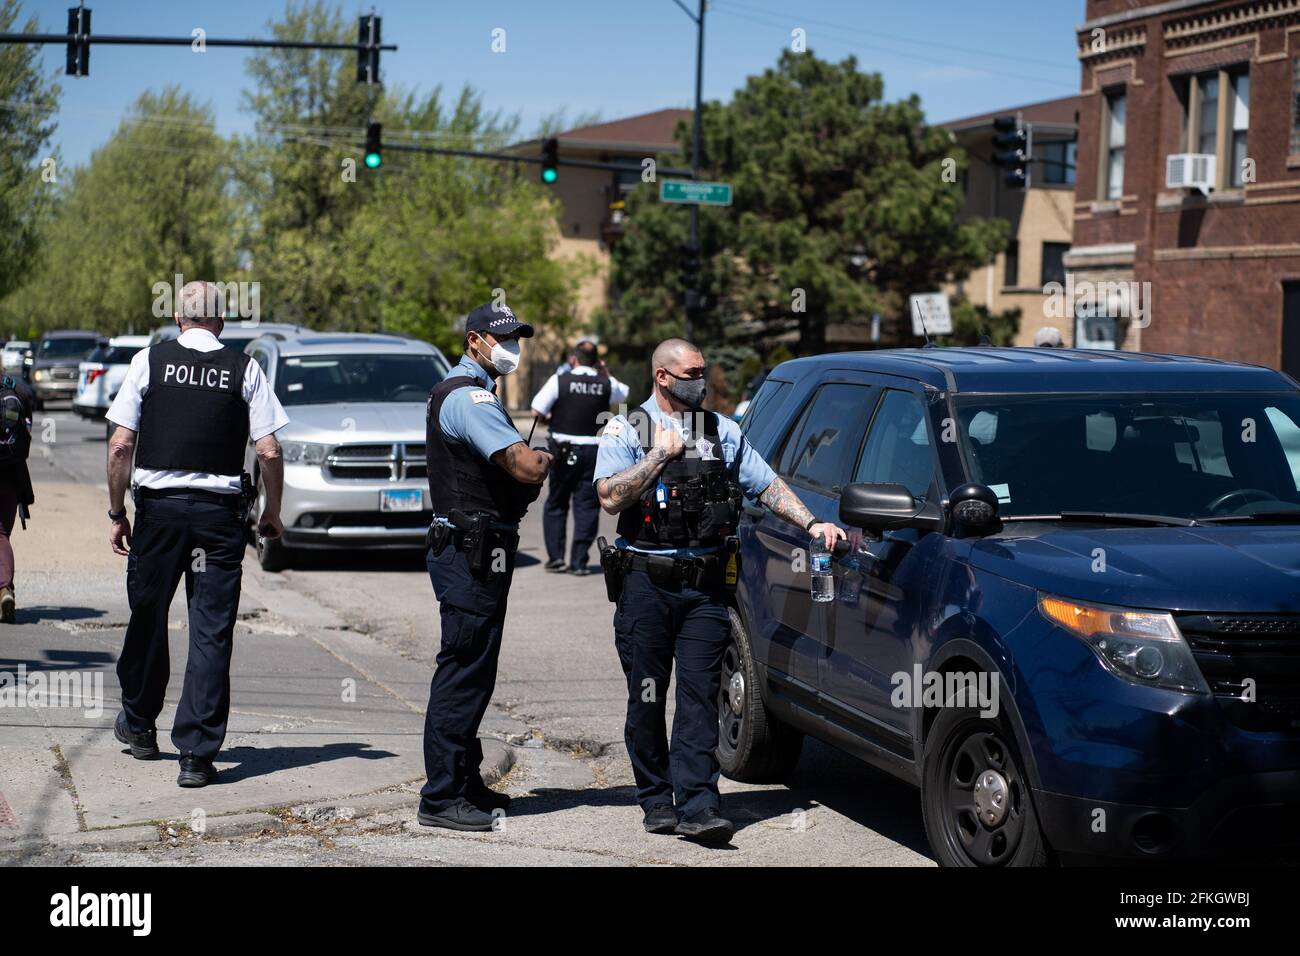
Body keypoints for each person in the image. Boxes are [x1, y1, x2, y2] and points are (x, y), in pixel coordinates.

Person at [594, 338, 845, 843]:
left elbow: (766, 484)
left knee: (699, 696)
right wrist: (658, 458)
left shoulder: (723, 431)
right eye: (692, 373)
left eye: (703, 371)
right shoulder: (626, 427)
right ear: (663, 377)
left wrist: (812, 522)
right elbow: (610, 497)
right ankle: (654, 797)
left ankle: (699, 806)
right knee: (647, 696)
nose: (701, 381)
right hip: (647, 583)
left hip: (706, 587)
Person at [105, 281, 288, 788]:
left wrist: (116, 511)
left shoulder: (150, 361)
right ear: (222, 323)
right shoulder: (244, 367)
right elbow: (269, 450)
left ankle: (139, 726)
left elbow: (122, 446)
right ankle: (197, 755)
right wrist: (272, 513)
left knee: (148, 616)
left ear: (179, 320)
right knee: (210, 632)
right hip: (219, 519)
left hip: (159, 516)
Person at [420, 302, 553, 832]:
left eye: (517, 337)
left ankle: (465, 781)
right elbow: (521, 464)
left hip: (478, 551)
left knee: (475, 669)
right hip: (467, 553)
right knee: (463, 670)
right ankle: (441, 797)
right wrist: (544, 460)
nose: (513, 347)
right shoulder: (470, 396)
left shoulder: (473, 392)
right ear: (475, 340)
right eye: (504, 338)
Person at [530, 338, 629, 575]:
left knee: (556, 503)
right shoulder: (605, 382)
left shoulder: (560, 379)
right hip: (594, 451)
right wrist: (604, 372)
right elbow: (623, 394)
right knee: (587, 506)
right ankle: (579, 562)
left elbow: (537, 408)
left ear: (573, 358)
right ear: (596, 361)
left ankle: (556, 558)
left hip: (563, 450)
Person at [0, 373, 35, 623]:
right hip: (12, 472)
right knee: (2, 532)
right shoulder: (18, 390)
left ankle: (4, 588)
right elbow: (29, 425)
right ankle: (4, 589)